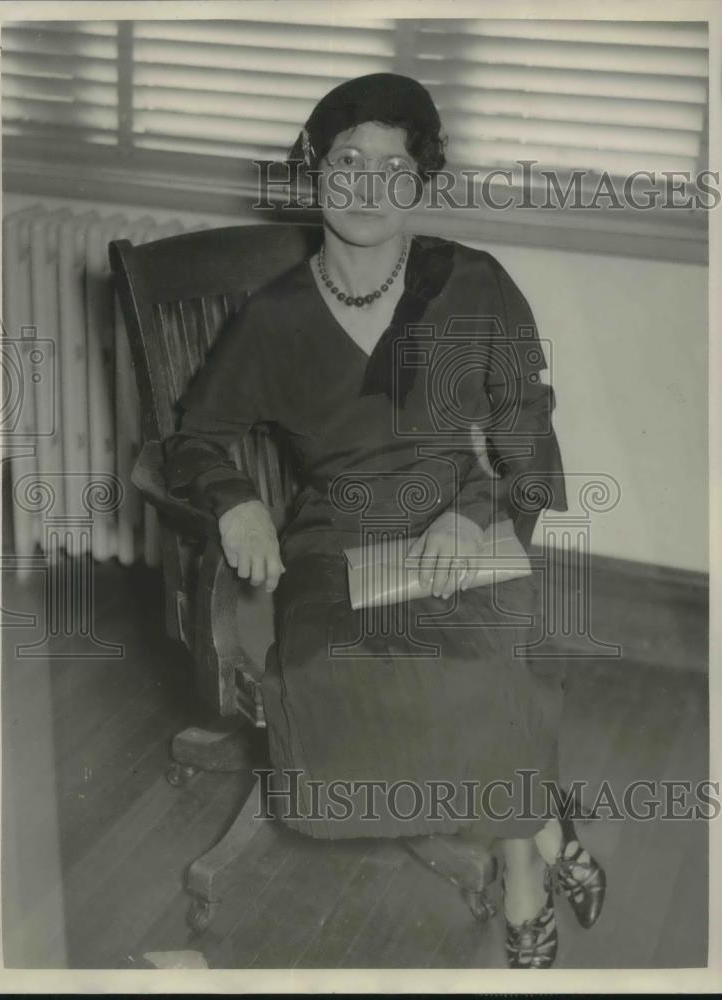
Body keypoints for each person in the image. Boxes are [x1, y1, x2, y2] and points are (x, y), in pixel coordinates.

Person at [161, 73, 606, 969]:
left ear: (421, 181)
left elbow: (525, 430)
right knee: (330, 669)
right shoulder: (274, 315)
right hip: (334, 540)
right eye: (345, 162)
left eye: (392, 167)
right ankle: (547, 824)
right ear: (313, 173)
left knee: (486, 662)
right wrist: (236, 498)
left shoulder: (473, 283)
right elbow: (193, 440)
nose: (366, 187)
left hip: (463, 528)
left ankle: (523, 877)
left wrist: (473, 512)